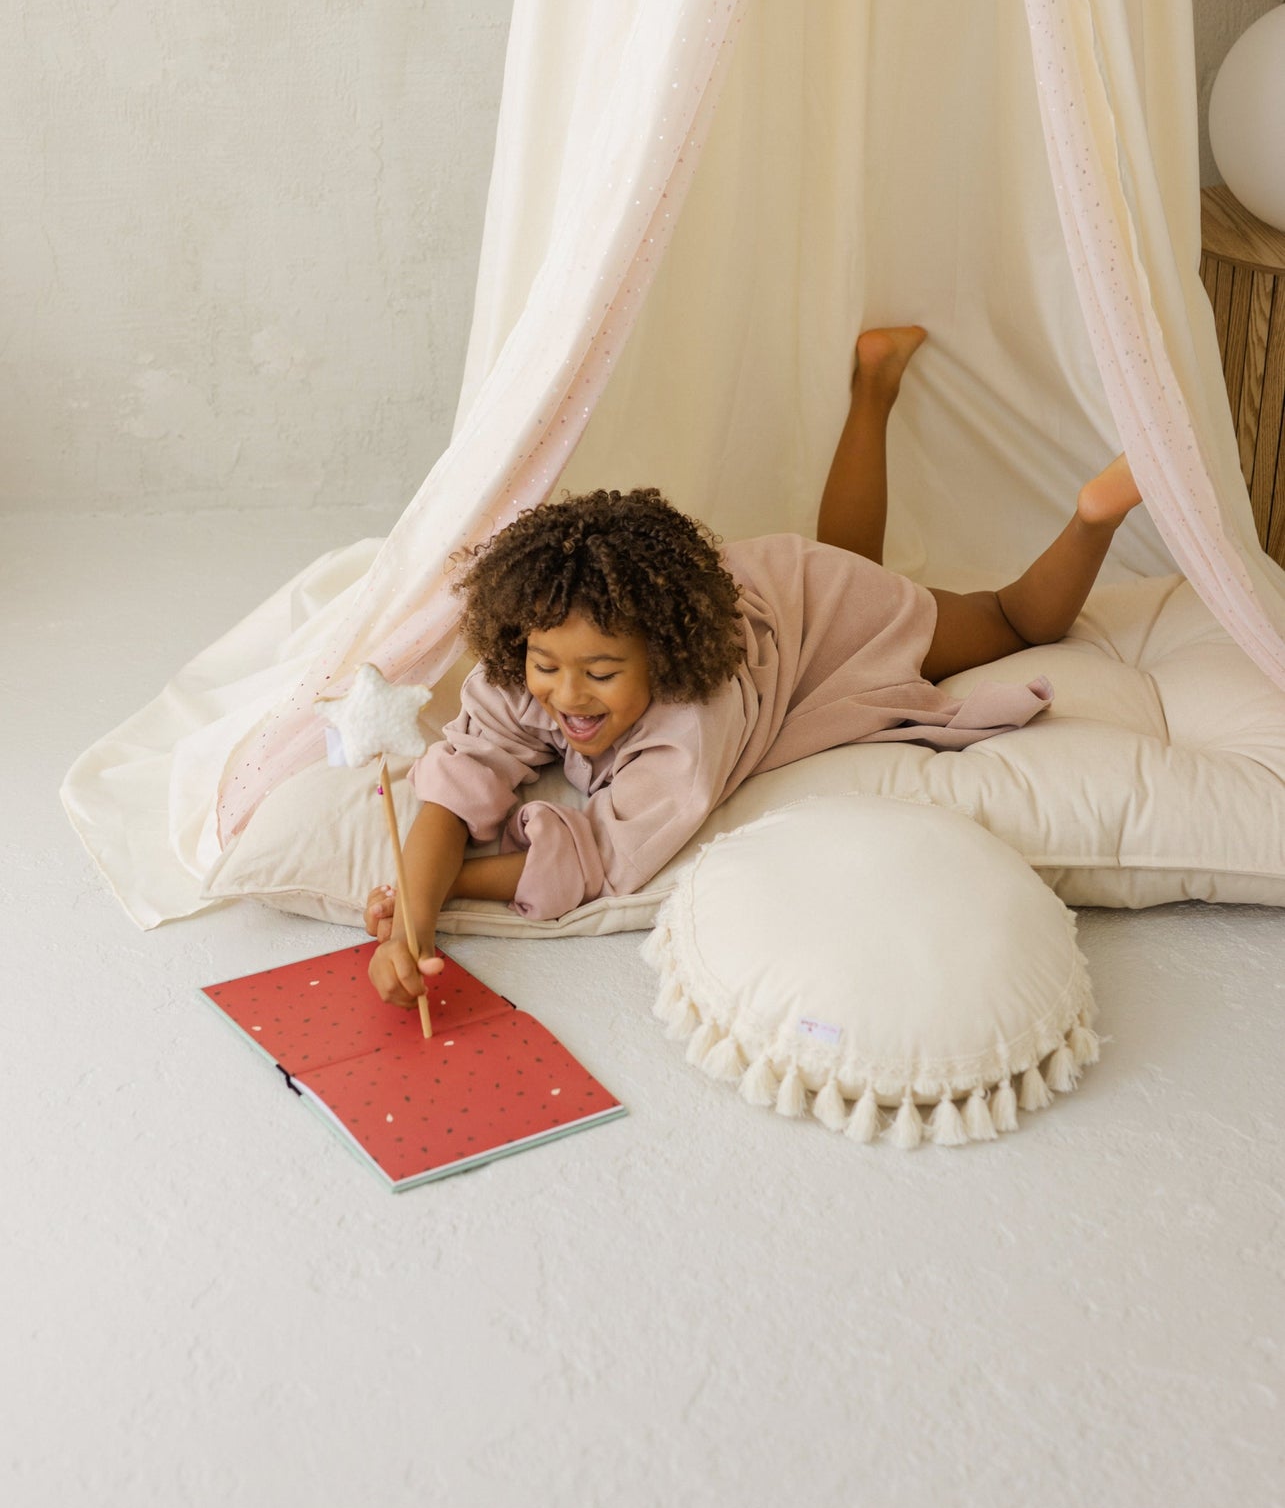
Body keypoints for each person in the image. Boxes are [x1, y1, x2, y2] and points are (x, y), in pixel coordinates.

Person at [364, 326, 1143, 1009]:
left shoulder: (686, 729)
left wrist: (440, 891)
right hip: (766, 584)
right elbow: (457, 782)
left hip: (820, 609)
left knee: (1005, 617)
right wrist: (413, 915)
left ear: (663, 654)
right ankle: (873, 381)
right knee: (851, 555)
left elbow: (599, 858)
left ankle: (1093, 515)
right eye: (545, 665)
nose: (566, 693)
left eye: (601, 674)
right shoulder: (533, 657)